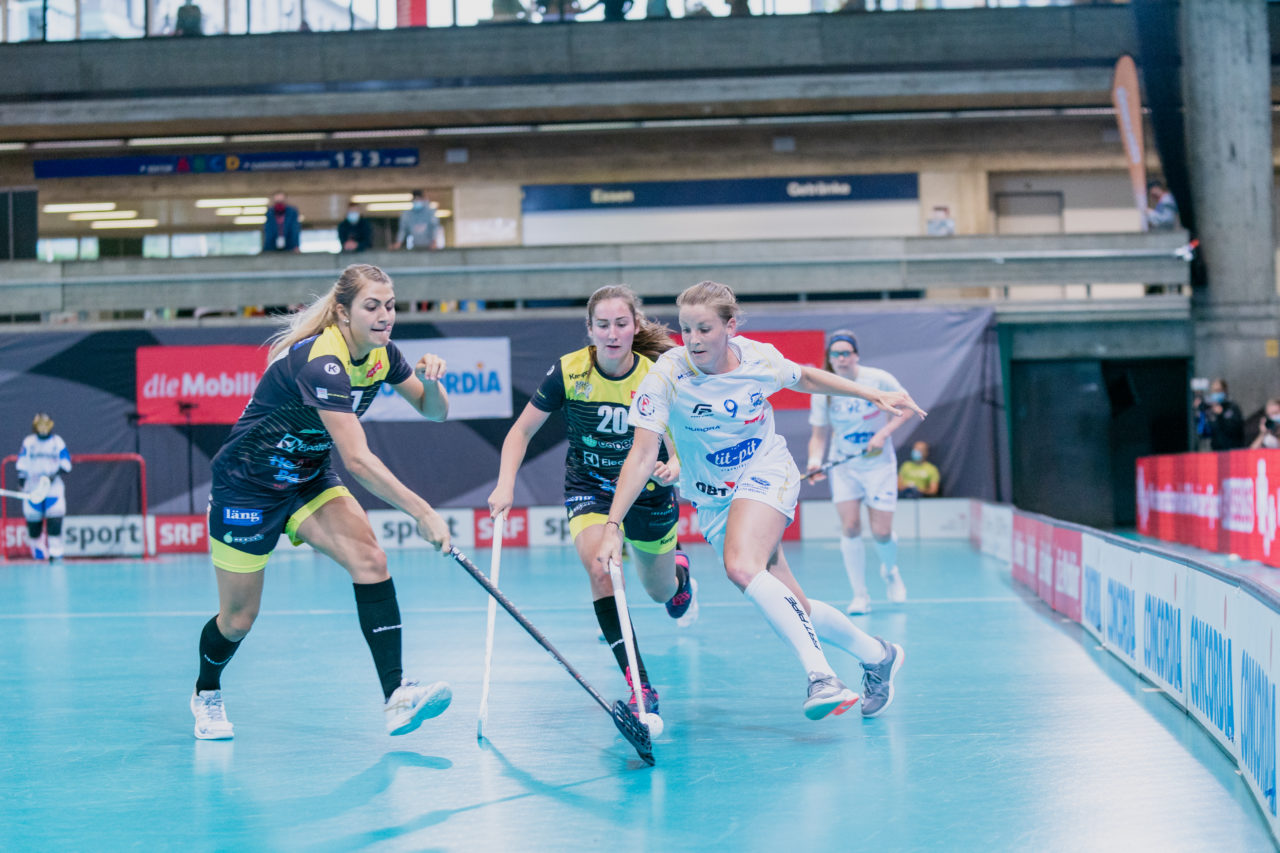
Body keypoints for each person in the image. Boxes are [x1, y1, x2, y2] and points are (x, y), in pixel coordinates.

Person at [596, 281, 924, 721]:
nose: (693, 340)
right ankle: (877, 654)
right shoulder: (666, 377)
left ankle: (822, 677)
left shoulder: (757, 359)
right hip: (713, 499)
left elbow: (805, 376)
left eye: (705, 329)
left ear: (730, 327)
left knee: (741, 566)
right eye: (687, 329)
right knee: (794, 605)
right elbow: (640, 455)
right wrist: (612, 525)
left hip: (765, 470)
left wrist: (873, 394)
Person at [189, 264, 454, 741]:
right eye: (371, 306)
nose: (384, 316)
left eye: (390, 306)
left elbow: (434, 412)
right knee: (237, 619)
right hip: (247, 485)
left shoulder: (382, 355)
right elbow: (357, 459)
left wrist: (433, 383)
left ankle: (396, 696)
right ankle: (207, 692)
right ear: (343, 312)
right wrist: (423, 511)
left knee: (370, 558)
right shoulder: (322, 362)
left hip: (306, 477)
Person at [488, 285, 696, 730]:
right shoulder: (569, 372)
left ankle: (678, 574)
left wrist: (676, 463)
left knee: (659, 592)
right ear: (590, 330)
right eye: (602, 324)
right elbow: (520, 433)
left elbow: (683, 439)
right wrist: (505, 485)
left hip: (649, 493)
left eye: (621, 323)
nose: (613, 332)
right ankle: (640, 684)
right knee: (601, 569)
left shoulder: (657, 376)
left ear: (635, 326)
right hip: (591, 490)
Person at [805, 330, 913, 615]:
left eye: (846, 352)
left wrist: (884, 433)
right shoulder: (823, 389)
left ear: (856, 355)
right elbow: (818, 435)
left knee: (882, 532)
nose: (840, 358)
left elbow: (908, 407)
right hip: (844, 466)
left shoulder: (877, 379)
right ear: (829, 358)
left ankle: (890, 571)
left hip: (879, 465)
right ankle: (860, 595)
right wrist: (814, 461)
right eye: (835, 354)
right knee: (851, 527)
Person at [16, 413, 71, 561]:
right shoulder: (29, 442)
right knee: (33, 522)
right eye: (39, 424)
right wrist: (21, 480)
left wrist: (53, 475)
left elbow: (66, 463)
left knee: (54, 518)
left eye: (45, 424)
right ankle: (38, 550)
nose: (43, 428)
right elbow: (22, 462)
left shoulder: (57, 442)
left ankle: (56, 551)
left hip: (52, 488)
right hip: (33, 487)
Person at [1195, 378, 1245, 451]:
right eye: (1214, 391)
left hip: (1233, 451)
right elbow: (1203, 433)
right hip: (1217, 452)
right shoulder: (1210, 411)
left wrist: (1221, 414)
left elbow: (1236, 429)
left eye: (1218, 390)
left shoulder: (1232, 407)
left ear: (1225, 391)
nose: (1216, 393)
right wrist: (1200, 414)